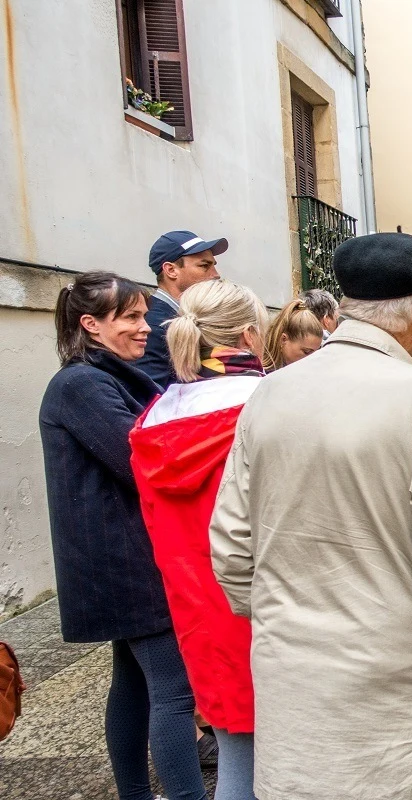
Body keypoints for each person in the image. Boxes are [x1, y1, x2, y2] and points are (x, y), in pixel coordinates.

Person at [209, 233, 412, 799]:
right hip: (396, 692)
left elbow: (230, 546)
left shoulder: (269, 395)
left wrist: (288, 618)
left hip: (294, 684)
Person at [40, 271, 208, 800]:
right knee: (175, 693)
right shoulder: (82, 384)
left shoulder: (109, 377)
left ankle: (136, 794)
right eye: (132, 317)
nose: (146, 328)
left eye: (142, 315)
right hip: (125, 560)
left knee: (135, 685)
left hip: (123, 555)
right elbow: (140, 460)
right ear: (91, 324)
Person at [130, 280, 269, 800]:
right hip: (270, 604)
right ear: (251, 335)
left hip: (198, 612)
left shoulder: (157, 415)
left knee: (237, 757)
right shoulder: (266, 406)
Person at [136, 229, 226, 387]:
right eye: (205, 266)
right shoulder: (153, 325)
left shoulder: (173, 317)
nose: (215, 274)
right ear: (171, 270)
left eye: (214, 265)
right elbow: (148, 396)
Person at [264, 299, 324, 371]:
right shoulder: (259, 374)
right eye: (307, 352)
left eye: (316, 353)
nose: (312, 359)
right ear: (283, 340)